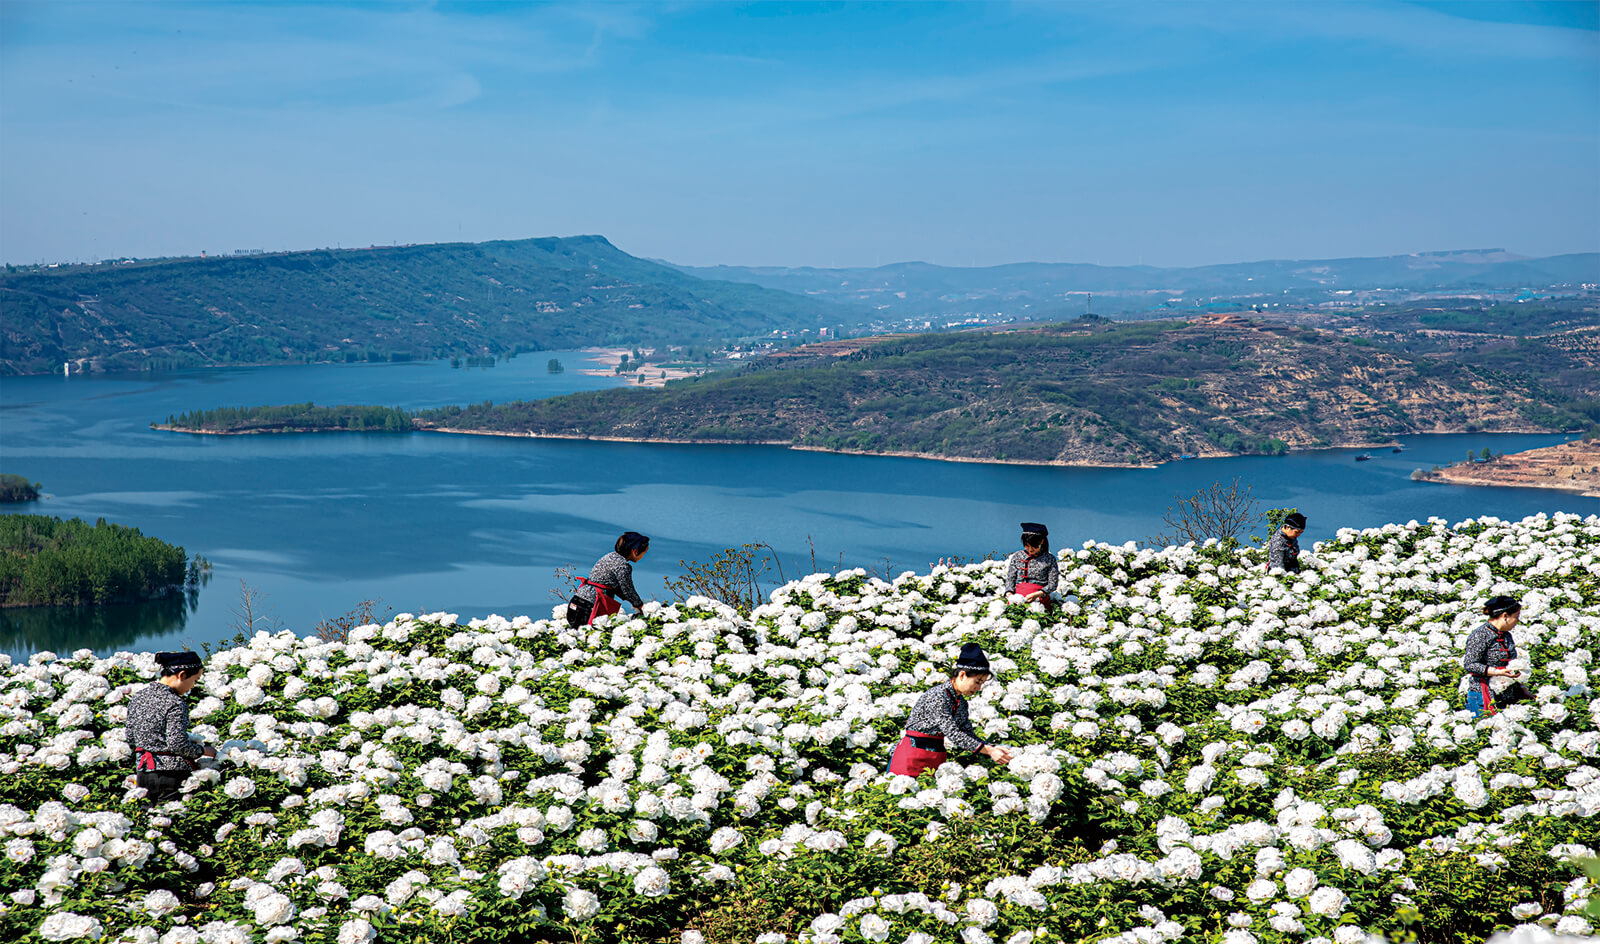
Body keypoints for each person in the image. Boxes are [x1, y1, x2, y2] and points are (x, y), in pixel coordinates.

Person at [888, 643, 1015, 777]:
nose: (978, 688)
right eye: (977, 682)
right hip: (911, 755)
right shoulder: (938, 696)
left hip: (935, 755)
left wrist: (992, 747)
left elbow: (966, 732)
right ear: (962, 675)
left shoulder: (961, 703)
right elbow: (953, 734)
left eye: (982, 683)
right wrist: (988, 751)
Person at [125, 650, 216, 802]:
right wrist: (203, 750)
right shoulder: (175, 703)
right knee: (172, 817)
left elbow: (131, 737)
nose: (192, 686)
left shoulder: (138, 698)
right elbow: (177, 744)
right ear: (182, 675)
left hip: (144, 772)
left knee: (150, 818)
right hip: (171, 775)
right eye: (195, 680)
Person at [567, 531, 649, 628]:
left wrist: (634, 602)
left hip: (577, 600)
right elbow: (627, 590)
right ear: (635, 552)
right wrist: (640, 606)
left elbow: (618, 588)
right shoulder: (623, 566)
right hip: (590, 606)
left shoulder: (610, 556)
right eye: (644, 553)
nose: (643, 557)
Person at [1463, 594, 1523, 717]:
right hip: (1483, 694)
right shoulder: (1480, 635)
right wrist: (1497, 672)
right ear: (1505, 616)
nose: (1517, 621)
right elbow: (1470, 664)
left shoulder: (1506, 635)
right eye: (1516, 617)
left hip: (1506, 693)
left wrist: (1522, 690)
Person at [1004, 522, 1058, 608]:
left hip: (1039, 599)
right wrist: (1009, 594)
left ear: (1042, 541)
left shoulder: (1050, 559)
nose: (1030, 549)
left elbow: (1053, 584)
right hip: (1016, 598)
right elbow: (1011, 578)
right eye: (1026, 545)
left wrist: (1038, 594)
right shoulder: (1017, 556)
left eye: (1034, 546)